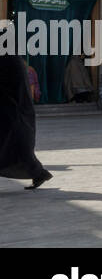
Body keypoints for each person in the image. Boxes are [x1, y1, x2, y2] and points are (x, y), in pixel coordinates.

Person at [1, 34, 53, 190]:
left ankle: (39, 173)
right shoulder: (13, 59)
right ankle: (39, 173)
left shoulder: (8, 61)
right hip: (11, 113)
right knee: (12, 148)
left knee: (16, 148)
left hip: (12, 114)